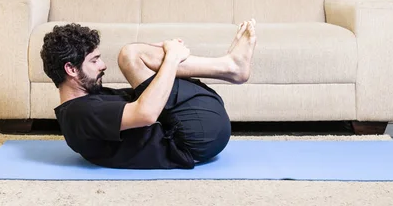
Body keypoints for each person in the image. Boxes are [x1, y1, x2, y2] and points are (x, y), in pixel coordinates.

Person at [40, 18, 257, 170]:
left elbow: (149, 97)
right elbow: (146, 113)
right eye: (94, 60)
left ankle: (231, 66)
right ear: (71, 69)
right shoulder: (79, 113)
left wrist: (164, 60)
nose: (103, 65)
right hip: (193, 138)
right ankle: (231, 66)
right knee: (130, 55)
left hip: (195, 130)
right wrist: (171, 58)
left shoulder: (86, 102)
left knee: (138, 56)